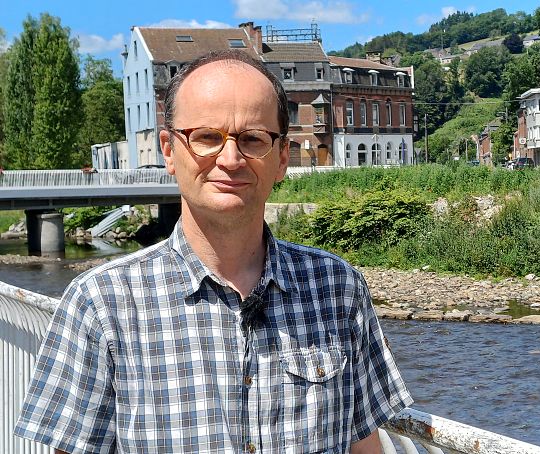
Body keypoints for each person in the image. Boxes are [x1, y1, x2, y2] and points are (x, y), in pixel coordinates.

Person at [15, 49, 412, 453]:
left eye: (253, 139)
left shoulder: (337, 288)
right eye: (206, 137)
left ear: (280, 159)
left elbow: (365, 444)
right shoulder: (102, 305)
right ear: (169, 150)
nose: (230, 158)